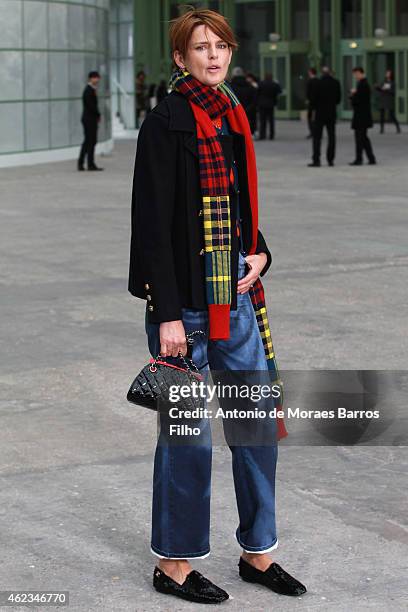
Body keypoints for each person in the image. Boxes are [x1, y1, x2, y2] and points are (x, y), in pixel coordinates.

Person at [128, 7, 307, 605]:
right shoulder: (167, 122)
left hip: (236, 293)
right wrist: (169, 313)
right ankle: (173, 566)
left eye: (221, 46)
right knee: (189, 440)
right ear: (179, 57)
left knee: (254, 430)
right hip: (186, 306)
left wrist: (260, 254)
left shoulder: (231, 115)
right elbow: (152, 225)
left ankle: (258, 554)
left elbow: (237, 208)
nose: (213, 55)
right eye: (200, 47)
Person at [309, 66, 342, 167]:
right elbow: (338, 99)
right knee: (331, 137)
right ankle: (330, 159)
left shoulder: (317, 83)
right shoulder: (336, 83)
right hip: (331, 113)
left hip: (320, 113)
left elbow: (313, 100)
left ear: (322, 73)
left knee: (317, 138)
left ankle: (316, 159)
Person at [349, 67, 377, 166]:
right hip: (363, 116)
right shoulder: (363, 84)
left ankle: (359, 158)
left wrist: (352, 95)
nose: (355, 76)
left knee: (360, 138)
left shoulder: (362, 85)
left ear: (360, 73)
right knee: (363, 138)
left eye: (356, 74)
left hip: (361, 116)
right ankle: (371, 158)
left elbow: (358, 101)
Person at [77, 71, 103, 171]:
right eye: (95, 78)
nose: (97, 80)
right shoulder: (88, 90)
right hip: (89, 119)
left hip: (91, 119)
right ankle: (87, 163)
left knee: (90, 141)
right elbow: (91, 106)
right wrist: (98, 114)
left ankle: (87, 163)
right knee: (89, 141)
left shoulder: (91, 89)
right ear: (91, 78)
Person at [230, 66, 258, 135]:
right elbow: (254, 101)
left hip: (234, 114)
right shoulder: (250, 87)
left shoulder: (229, 87)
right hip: (248, 113)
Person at [376, 69, 401, 134]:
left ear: (391, 74)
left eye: (388, 73)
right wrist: (378, 88)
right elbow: (380, 89)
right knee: (382, 114)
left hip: (389, 100)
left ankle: (398, 127)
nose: (387, 74)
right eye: (386, 73)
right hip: (383, 99)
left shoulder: (393, 83)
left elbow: (393, 92)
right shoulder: (384, 81)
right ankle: (381, 129)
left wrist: (387, 90)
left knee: (391, 114)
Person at [258, 73, 282, 140]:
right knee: (271, 121)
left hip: (262, 104)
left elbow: (257, 93)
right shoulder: (274, 84)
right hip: (271, 104)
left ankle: (262, 135)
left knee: (262, 121)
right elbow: (279, 91)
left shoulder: (261, 83)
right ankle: (271, 135)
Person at [306, 67, 319, 139]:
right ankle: (316, 131)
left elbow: (308, 92)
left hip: (311, 102)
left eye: (309, 72)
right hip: (317, 102)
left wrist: (308, 99)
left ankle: (312, 132)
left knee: (310, 117)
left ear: (311, 72)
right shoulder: (318, 81)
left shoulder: (309, 81)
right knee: (316, 117)